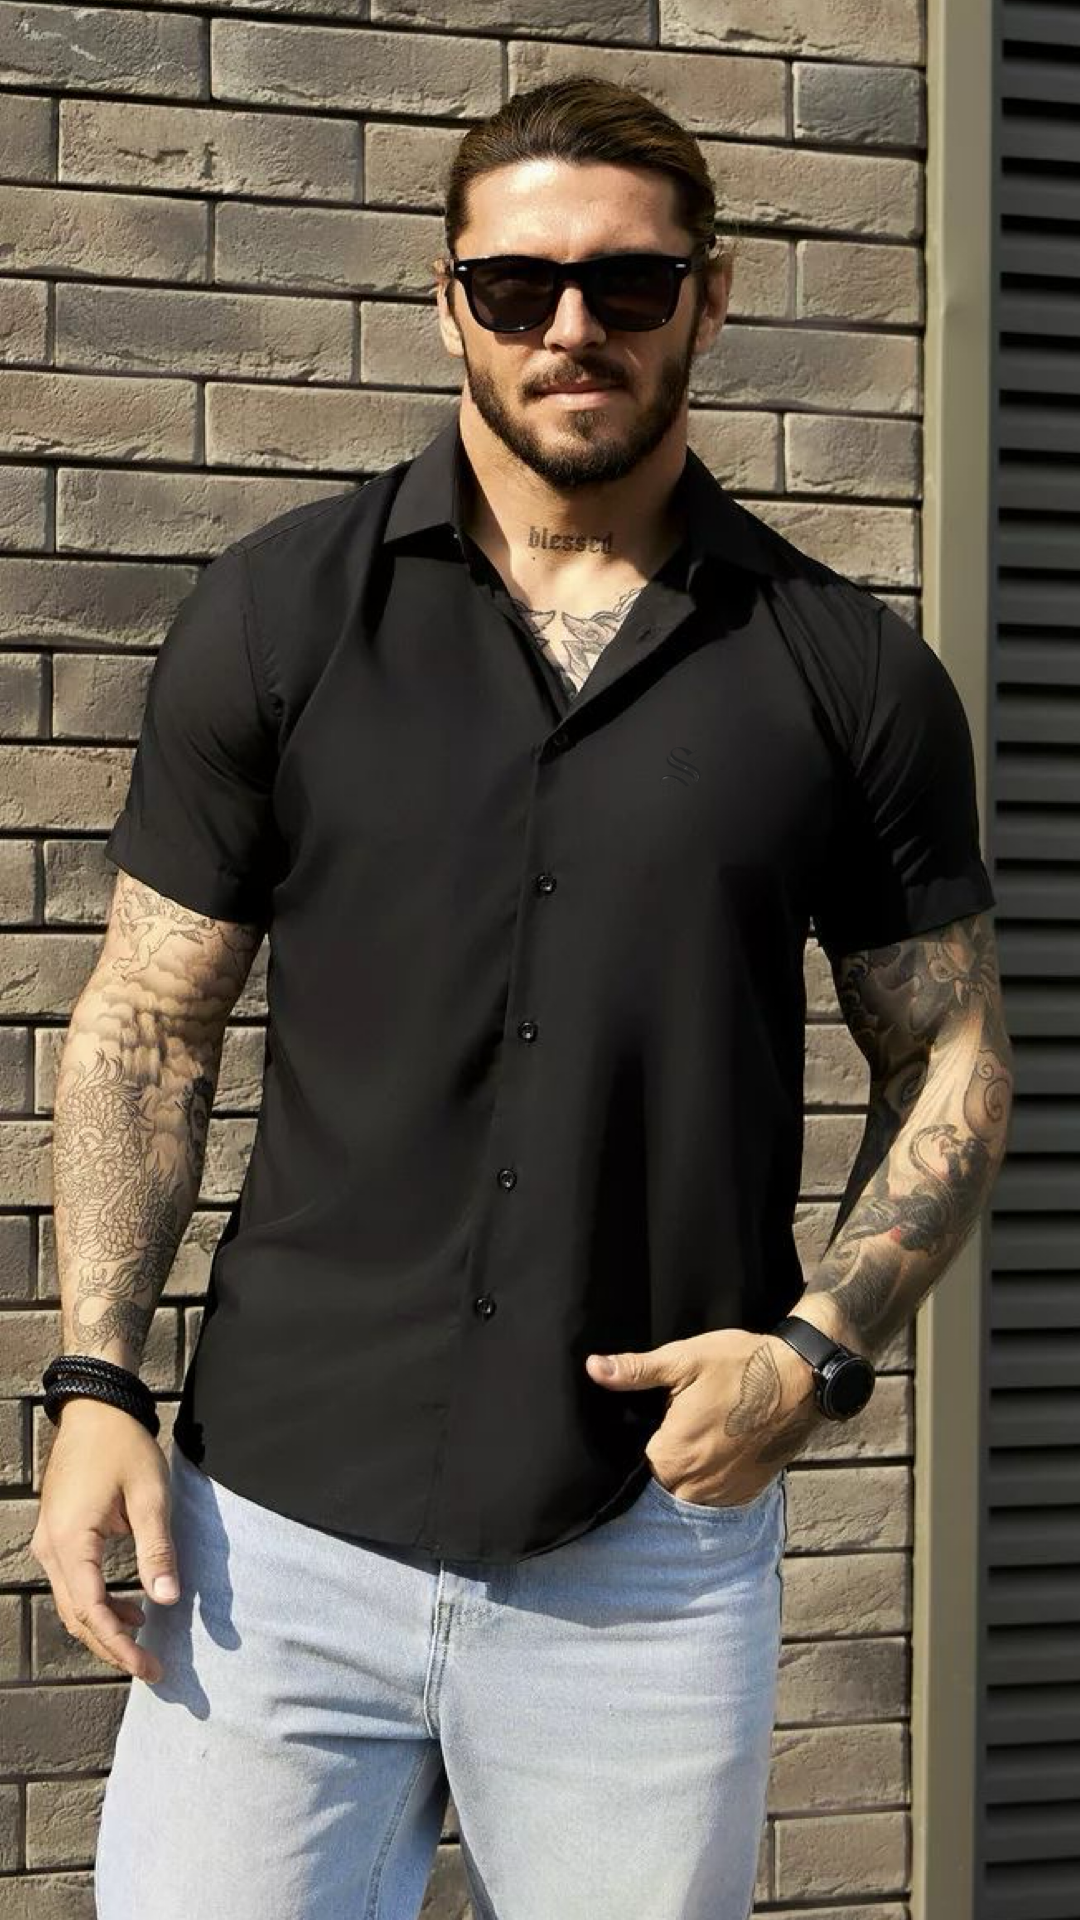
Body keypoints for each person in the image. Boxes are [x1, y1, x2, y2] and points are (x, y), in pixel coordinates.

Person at [32, 76, 1012, 1920]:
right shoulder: (277, 618)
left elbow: (949, 1050)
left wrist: (814, 1354)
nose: (573, 327)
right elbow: (148, 1020)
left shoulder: (851, 675)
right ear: (448, 302)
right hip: (272, 1534)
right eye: (518, 285)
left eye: (629, 285)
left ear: (710, 298)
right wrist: (93, 1385)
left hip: (642, 1549)